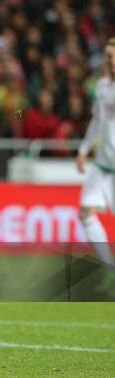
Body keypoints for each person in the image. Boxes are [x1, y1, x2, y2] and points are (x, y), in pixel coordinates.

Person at [76, 38, 115, 274]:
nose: (110, 61)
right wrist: (83, 150)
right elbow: (97, 121)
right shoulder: (101, 87)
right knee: (85, 213)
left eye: (113, 56)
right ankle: (110, 271)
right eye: (108, 56)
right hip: (101, 165)